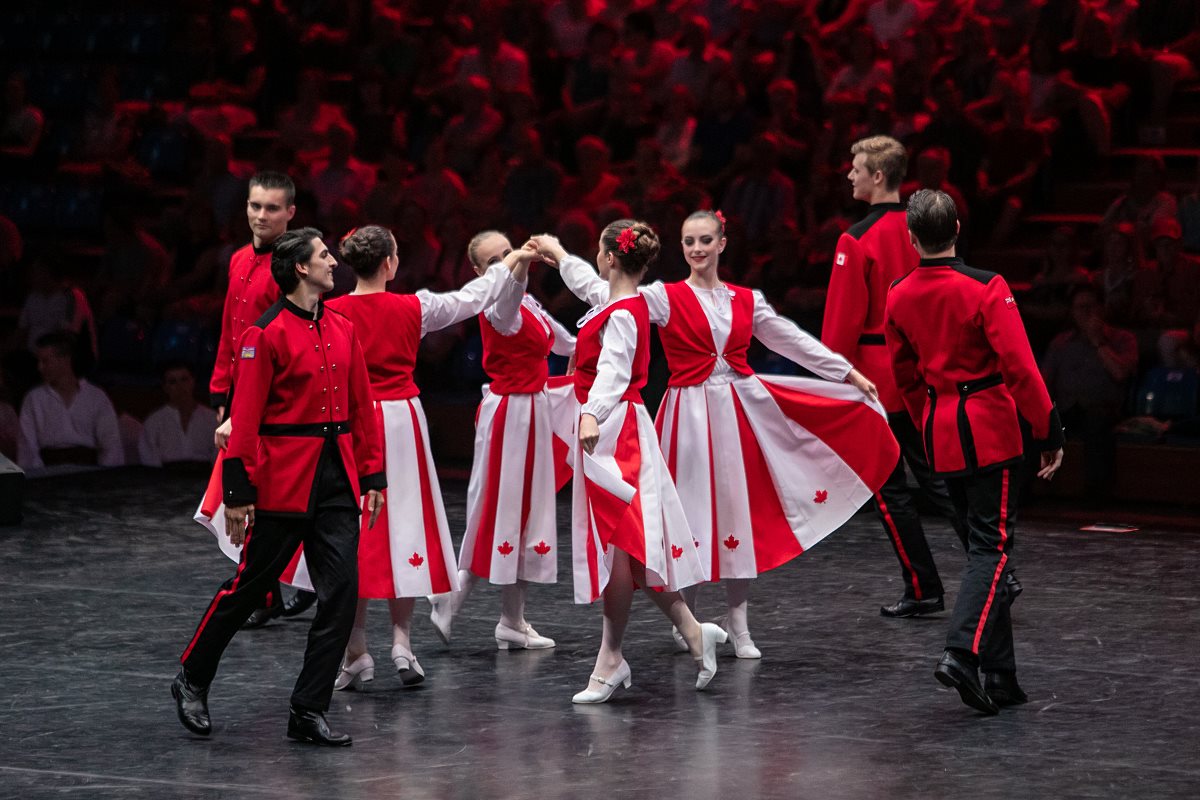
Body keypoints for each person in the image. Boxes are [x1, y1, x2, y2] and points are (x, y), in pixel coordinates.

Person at [547, 210, 894, 658]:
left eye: (706, 240)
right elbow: (607, 292)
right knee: (686, 513)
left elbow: (789, 339)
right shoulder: (665, 297)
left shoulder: (746, 300)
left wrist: (845, 372)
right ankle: (690, 617)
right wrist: (561, 257)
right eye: (689, 241)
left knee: (736, 513)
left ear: (722, 244)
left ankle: (739, 621)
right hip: (686, 417)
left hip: (736, 413)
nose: (697, 249)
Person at [172, 228, 386, 745]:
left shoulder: (343, 327)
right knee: (249, 589)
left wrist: (373, 475)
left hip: (336, 479)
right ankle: (192, 677)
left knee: (341, 594)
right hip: (283, 482)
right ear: (301, 269)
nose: (333, 262)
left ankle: (308, 709)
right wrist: (237, 491)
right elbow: (245, 418)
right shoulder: (264, 334)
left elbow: (362, 406)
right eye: (324, 256)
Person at [529, 220, 728, 703]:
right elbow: (588, 284)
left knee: (620, 546)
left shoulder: (622, 312)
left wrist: (590, 415)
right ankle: (685, 633)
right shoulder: (619, 300)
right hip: (614, 427)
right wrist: (558, 252)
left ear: (610, 257)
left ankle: (615, 658)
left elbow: (614, 372)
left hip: (617, 433)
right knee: (626, 548)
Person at [884, 190, 1064, 715]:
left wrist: (929, 422)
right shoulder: (987, 286)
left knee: (983, 551)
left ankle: (1001, 673)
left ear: (912, 238)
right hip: (987, 427)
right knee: (992, 548)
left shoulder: (898, 294)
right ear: (958, 228)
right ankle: (962, 653)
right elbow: (1020, 366)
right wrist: (1049, 429)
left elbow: (905, 378)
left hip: (941, 427)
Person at [324, 225, 523, 691]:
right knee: (406, 526)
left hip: (353, 424)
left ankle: (356, 649)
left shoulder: (330, 313)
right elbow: (474, 297)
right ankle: (401, 643)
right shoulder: (415, 307)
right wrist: (514, 262)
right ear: (390, 263)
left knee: (356, 529)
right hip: (401, 425)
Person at [822, 135, 970, 618]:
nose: (850, 175)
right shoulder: (925, 226)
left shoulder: (856, 239)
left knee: (889, 489)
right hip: (926, 368)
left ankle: (923, 587)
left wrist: (831, 379)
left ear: (878, 175)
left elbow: (841, 325)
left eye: (856, 167)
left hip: (876, 377)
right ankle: (995, 569)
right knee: (939, 478)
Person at [428, 231, 576, 649]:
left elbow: (564, 342)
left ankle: (512, 620)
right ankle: (452, 596)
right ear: (480, 273)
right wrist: (522, 263)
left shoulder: (528, 303)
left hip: (534, 409)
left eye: (507, 253)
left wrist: (604, 325)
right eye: (493, 262)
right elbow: (510, 290)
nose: (505, 263)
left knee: (527, 512)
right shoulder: (498, 305)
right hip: (510, 413)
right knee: (497, 507)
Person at [207, 171, 315, 624]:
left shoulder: (295, 266)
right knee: (250, 493)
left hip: (277, 396)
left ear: (291, 213)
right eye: (255, 206)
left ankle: (301, 580)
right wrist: (222, 391)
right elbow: (231, 329)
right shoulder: (237, 259)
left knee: (275, 494)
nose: (261, 215)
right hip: (242, 390)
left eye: (272, 208)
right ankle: (267, 591)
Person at [1040, 284, 1137, 501]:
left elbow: (1120, 373)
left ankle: (1096, 495)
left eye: (1089, 307)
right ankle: (1027, 493)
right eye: (1079, 308)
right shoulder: (1061, 342)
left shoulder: (1123, 339)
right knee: (1032, 423)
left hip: (1104, 410)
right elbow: (1044, 382)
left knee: (1097, 423)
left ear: (1101, 308)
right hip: (1066, 410)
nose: (1084, 313)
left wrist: (1097, 341)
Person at [17, 332, 122, 473]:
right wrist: (39, 476)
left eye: (45, 361)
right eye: (39, 361)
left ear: (65, 360)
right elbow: (27, 448)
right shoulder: (34, 399)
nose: (40, 367)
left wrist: (105, 476)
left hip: (89, 473)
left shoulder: (96, 396)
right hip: (47, 473)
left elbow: (111, 443)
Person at [138, 362, 218, 467]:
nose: (180, 386)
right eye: (173, 382)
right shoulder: (154, 422)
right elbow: (149, 461)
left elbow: (219, 457)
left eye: (184, 380)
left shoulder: (212, 419)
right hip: (166, 475)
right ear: (165, 387)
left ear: (193, 382)